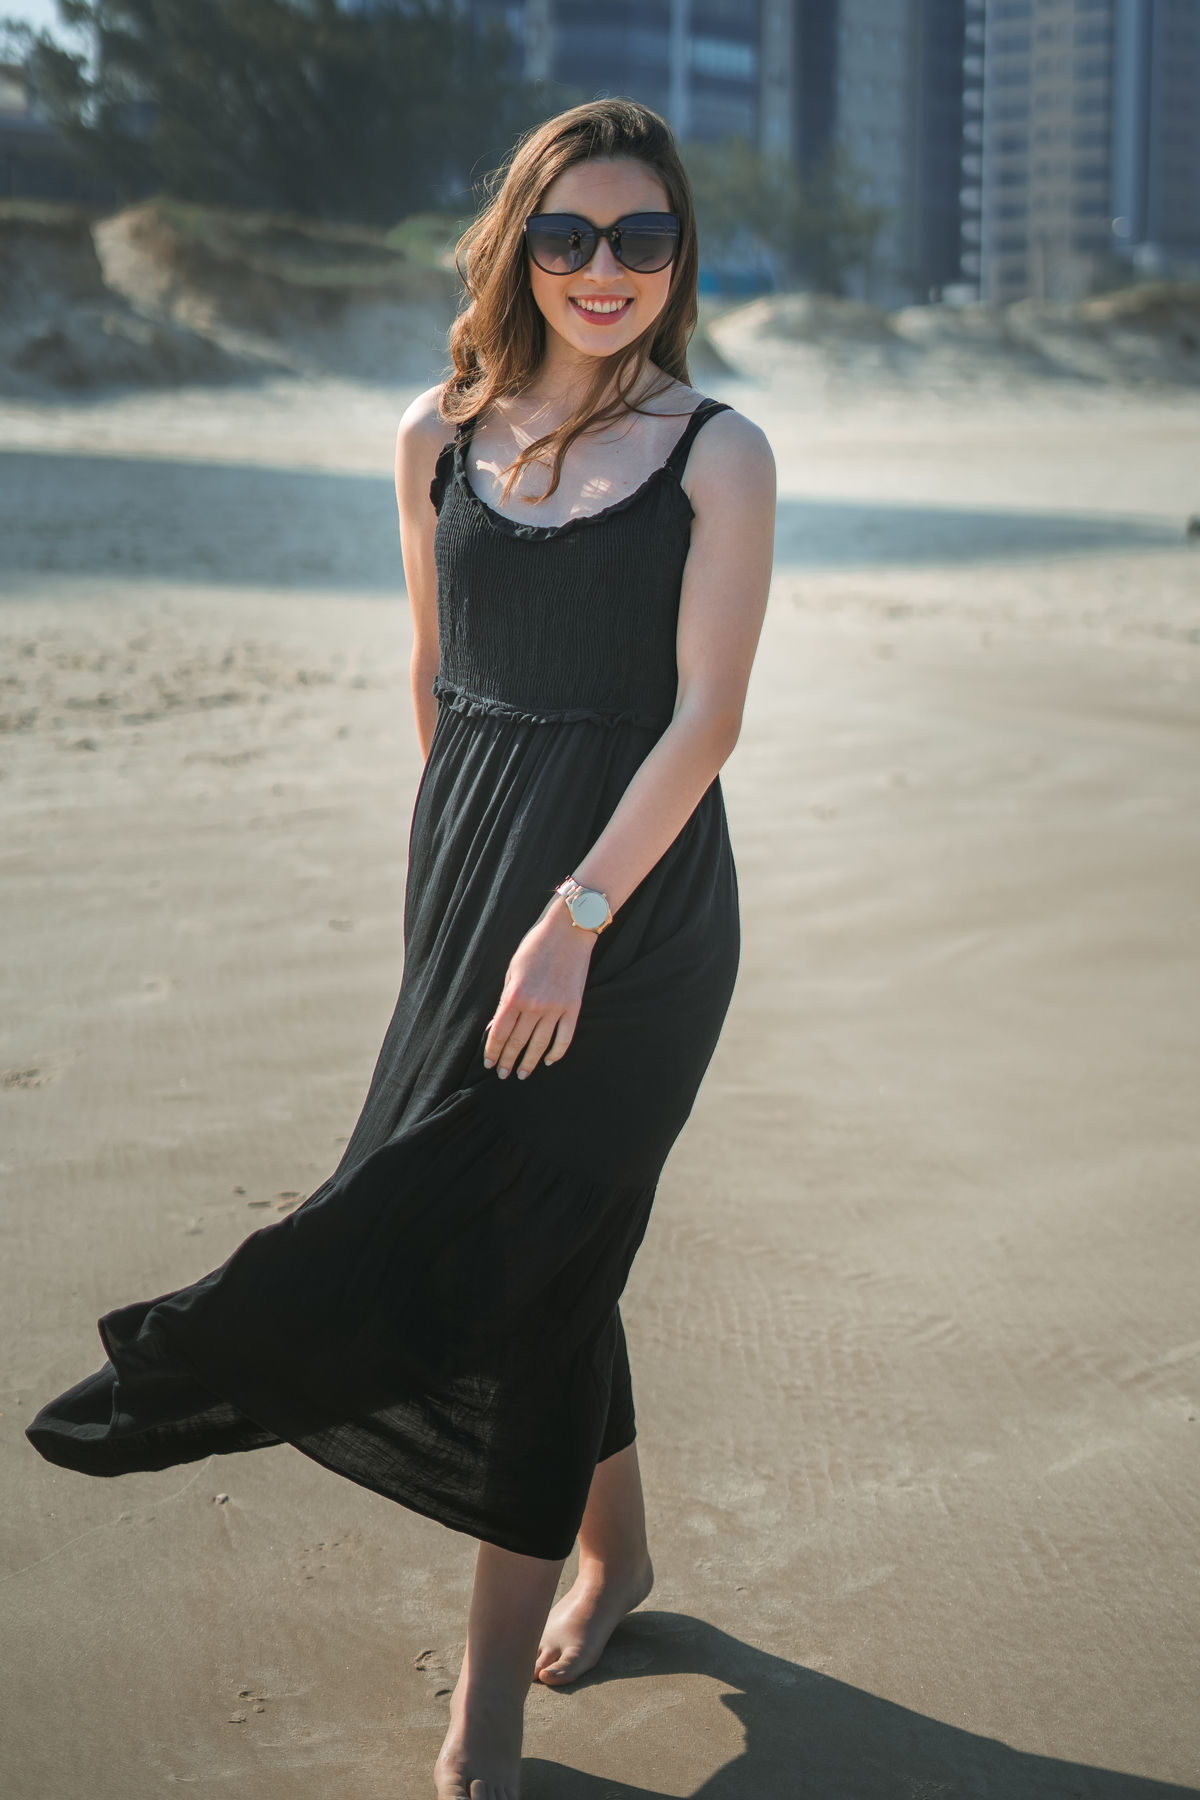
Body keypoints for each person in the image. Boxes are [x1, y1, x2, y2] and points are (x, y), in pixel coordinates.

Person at [27, 98, 775, 1800]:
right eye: (571, 235)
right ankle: (624, 1554)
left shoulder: (719, 450)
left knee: (531, 1239)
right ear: (519, 240)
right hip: (472, 883)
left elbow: (708, 723)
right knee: (542, 1234)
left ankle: (484, 1721)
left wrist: (570, 921)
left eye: (641, 239)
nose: (604, 270)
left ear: (678, 259)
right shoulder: (434, 435)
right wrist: (464, 902)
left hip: (636, 909)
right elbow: (433, 679)